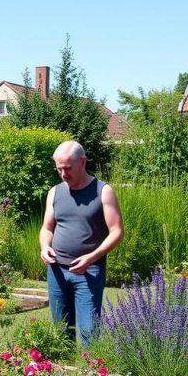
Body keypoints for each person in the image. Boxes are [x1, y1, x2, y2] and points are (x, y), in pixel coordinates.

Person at [39, 141, 123, 346]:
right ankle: (62, 375)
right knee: (61, 331)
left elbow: (117, 232)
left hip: (89, 272)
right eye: (59, 168)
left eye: (67, 168)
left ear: (82, 162)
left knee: (89, 332)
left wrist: (91, 257)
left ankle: (90, 375)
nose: (63, 173)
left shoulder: (103, 191)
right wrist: (45, 247)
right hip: (57, 271)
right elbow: (47, 228)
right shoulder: (55, 192)